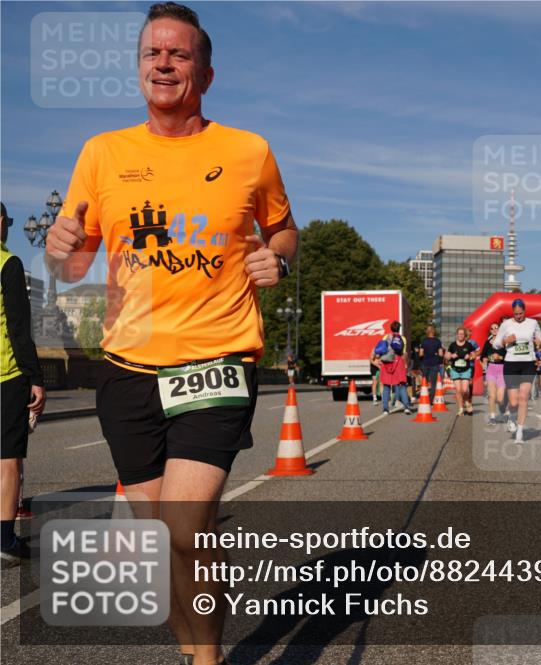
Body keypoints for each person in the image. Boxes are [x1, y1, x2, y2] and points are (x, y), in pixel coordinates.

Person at [43, 5, 298, 662]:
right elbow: (72, 264)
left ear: (205, 72)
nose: (163, 62)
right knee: (160, 540)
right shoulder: (103, 153)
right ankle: (195, 648)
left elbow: (284, 226)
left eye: (178, 54)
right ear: (138, 69)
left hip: (216, 356)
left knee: (187, 526)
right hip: (128, 365)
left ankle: (209, 659)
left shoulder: (248, 151)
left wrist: (281, 257)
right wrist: (61, 244)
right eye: (152, 53)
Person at [1, 202, 46, 567]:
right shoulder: (8, 264)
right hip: (7, 375)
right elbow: (18, 327)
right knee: (7, 461)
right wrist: (36, 377)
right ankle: (4, 539)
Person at [493, 298, 541, 444]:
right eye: (516, 314)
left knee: (523, 398)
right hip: (511, 364)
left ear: (525, 311)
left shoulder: (533, 323)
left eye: (521, 313)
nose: (518, 316)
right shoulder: (506, 324)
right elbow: (496, 344)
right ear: (512, 312)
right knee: (514, 402)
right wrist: (505, 341)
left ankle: (520, 432)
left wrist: (539, 343)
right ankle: (511, 417)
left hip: (528, 363)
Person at [372, 322, 412, 415]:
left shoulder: (386, 337)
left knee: (386, 386)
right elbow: (404, 354)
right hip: (398, 362)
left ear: (391, 328)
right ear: (399, 328)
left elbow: (381, 350)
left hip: (386, 363)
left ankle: (385, 409)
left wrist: (378, 359)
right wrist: (405, 365)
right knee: (402, 385)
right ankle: (406, 407)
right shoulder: (402, 339)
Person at [445, 326, 477, 415]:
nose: (460, 335)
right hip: (455, 370)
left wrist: (470, 356)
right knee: (458, 390)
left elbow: (474, 355)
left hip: (466, 370)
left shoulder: (468, 345)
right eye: (459, 334)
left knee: (465, 389)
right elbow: (446, 356)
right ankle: (460, 408)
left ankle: (467, 402)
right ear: (457, 335)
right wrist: (451, 356)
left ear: (464, 335)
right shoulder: (452, 345)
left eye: (462, 334)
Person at [482, 322, 507, 425]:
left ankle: (503, 412)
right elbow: (483, 357)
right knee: (492, 395)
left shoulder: (504, 341)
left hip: (502, 369)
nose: (494, 330)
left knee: (500, 397)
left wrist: (500, 357)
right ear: (490, 331)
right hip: (491, 369)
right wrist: (485, 365)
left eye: (496, 328)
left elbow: (509, 356)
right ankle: (492, 417)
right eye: (492, 329)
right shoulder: (487, 342)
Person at [418, 324, 443, 399]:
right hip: (435, 363)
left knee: (424, 381)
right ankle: (431, 399)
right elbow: (441, 354)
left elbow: (421, 354)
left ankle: (423, 397)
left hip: (425, 363)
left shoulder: (424, 341)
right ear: (434, 332)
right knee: (433, 382)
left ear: (427, 332)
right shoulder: (438, 341)